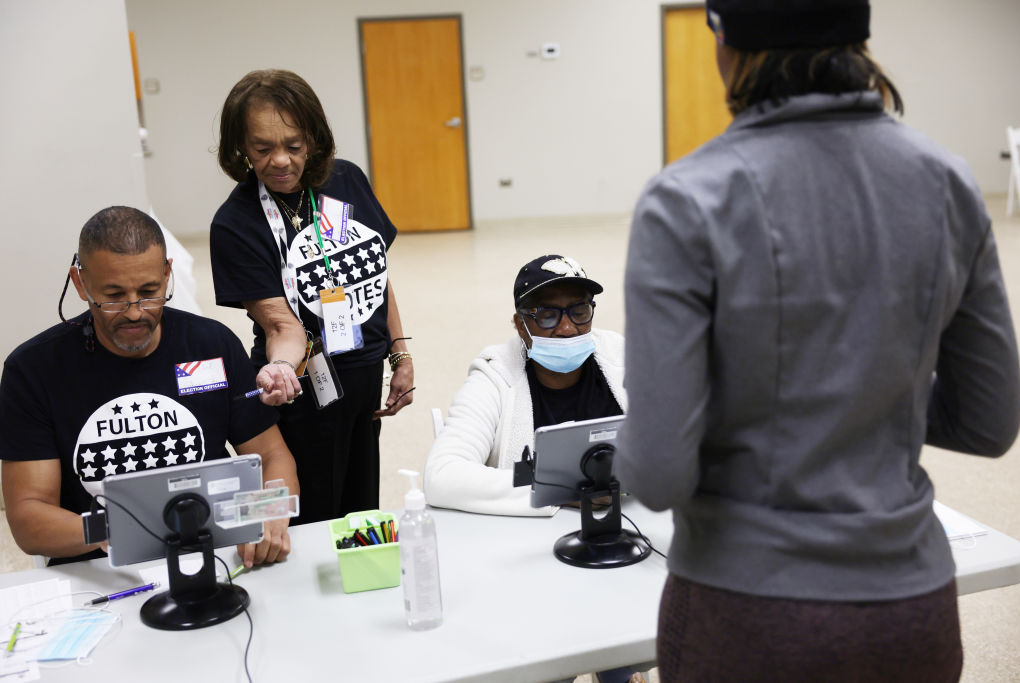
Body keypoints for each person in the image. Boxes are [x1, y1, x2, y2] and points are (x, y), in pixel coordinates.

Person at [617, 1, 1020, 681]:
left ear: (727, 44)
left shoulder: (686, 199)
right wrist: (868, 386)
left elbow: (658, 473)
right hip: (911, 613)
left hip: (749, 618)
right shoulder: (948, 181)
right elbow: (989, 420)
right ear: (859, 43)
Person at [0, 206, 299, 567]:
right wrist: (124, 528)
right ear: (80, 283)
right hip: (100, 565)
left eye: (149, 291)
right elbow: (29, 519)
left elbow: (271, 456)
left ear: (167, 274)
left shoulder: (210, 345)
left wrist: (268, 512)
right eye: (113, 296)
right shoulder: (34, 370)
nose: (134, 311)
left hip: (216, 551)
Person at [210, 69, 413, 525]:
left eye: (294, 146)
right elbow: (281, 324)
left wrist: (400, 355)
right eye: (262, 149)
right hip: (301, 388)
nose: (280, 160)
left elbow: (374, 274)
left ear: (314, 139)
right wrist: (280, 369)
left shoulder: (345, 182)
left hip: (363, 374)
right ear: (240, 147)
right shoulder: (236, 223)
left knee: (360, 509)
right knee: (313, 515)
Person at [425, 254, 626, 516]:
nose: (567, 328)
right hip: (527, 537)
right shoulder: (494, 375)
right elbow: (442, 475)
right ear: (521, 326)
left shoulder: (622, 357)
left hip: (631, 521)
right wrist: (570, 491)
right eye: (548, 316)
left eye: (579, 312)